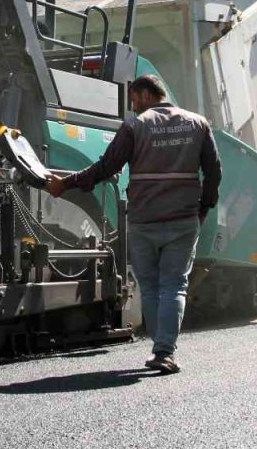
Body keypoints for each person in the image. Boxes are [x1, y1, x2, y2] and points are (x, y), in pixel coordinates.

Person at [46, 75, 222, 374]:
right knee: (174, 285)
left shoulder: (135, 125)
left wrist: (66, 184)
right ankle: (164, 350)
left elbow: (106, 167)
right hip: (183, 219)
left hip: (143, 220)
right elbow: (214, 173)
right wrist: (202, 210)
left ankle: (160, 346)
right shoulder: (198, 123)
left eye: (133, 99)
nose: (133, 105)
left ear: (143, 94)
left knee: (151, 286)